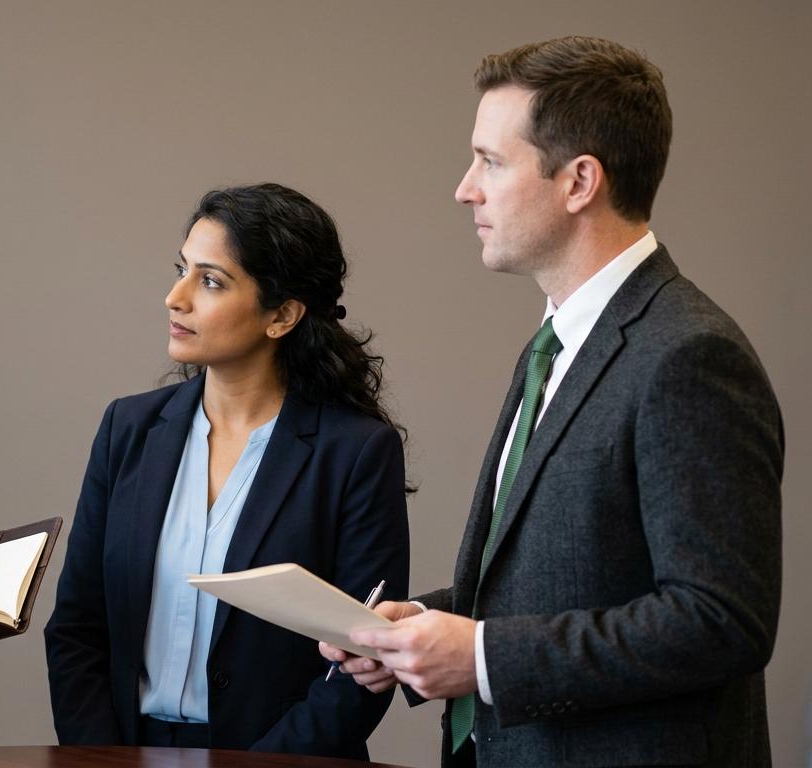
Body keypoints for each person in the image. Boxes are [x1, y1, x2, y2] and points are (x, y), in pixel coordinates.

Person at [321, 36, 783, 767]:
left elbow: (720, 620)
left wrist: (481, 657)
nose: (465, 187)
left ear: (579, 182)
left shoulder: (691, 355)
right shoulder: (558, 342)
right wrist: (426, 626)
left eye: (491, 161)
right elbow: (563, 579)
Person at [45, 183, 411, 759]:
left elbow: (361, 664)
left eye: (210, 280)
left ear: (283, 315)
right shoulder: (128, 428)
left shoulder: (357, 452)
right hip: (126, 753)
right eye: (181, 269)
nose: (175, 297)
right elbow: (76, 628)